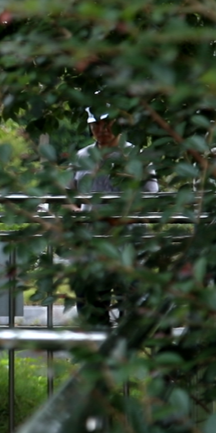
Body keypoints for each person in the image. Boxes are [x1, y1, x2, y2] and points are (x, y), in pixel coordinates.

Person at [70, 105, 159, 327]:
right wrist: (77, 215)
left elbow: (151, 198)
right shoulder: (81, 156)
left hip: (129, 243)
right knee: (90, 304)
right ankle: (100, 354)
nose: (101, 129)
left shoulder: (137, 156)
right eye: (95, 124)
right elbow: (67, 196)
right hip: (92, 243)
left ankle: (127, 354)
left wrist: (119, 220)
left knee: (132, 305)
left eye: (106, 123)